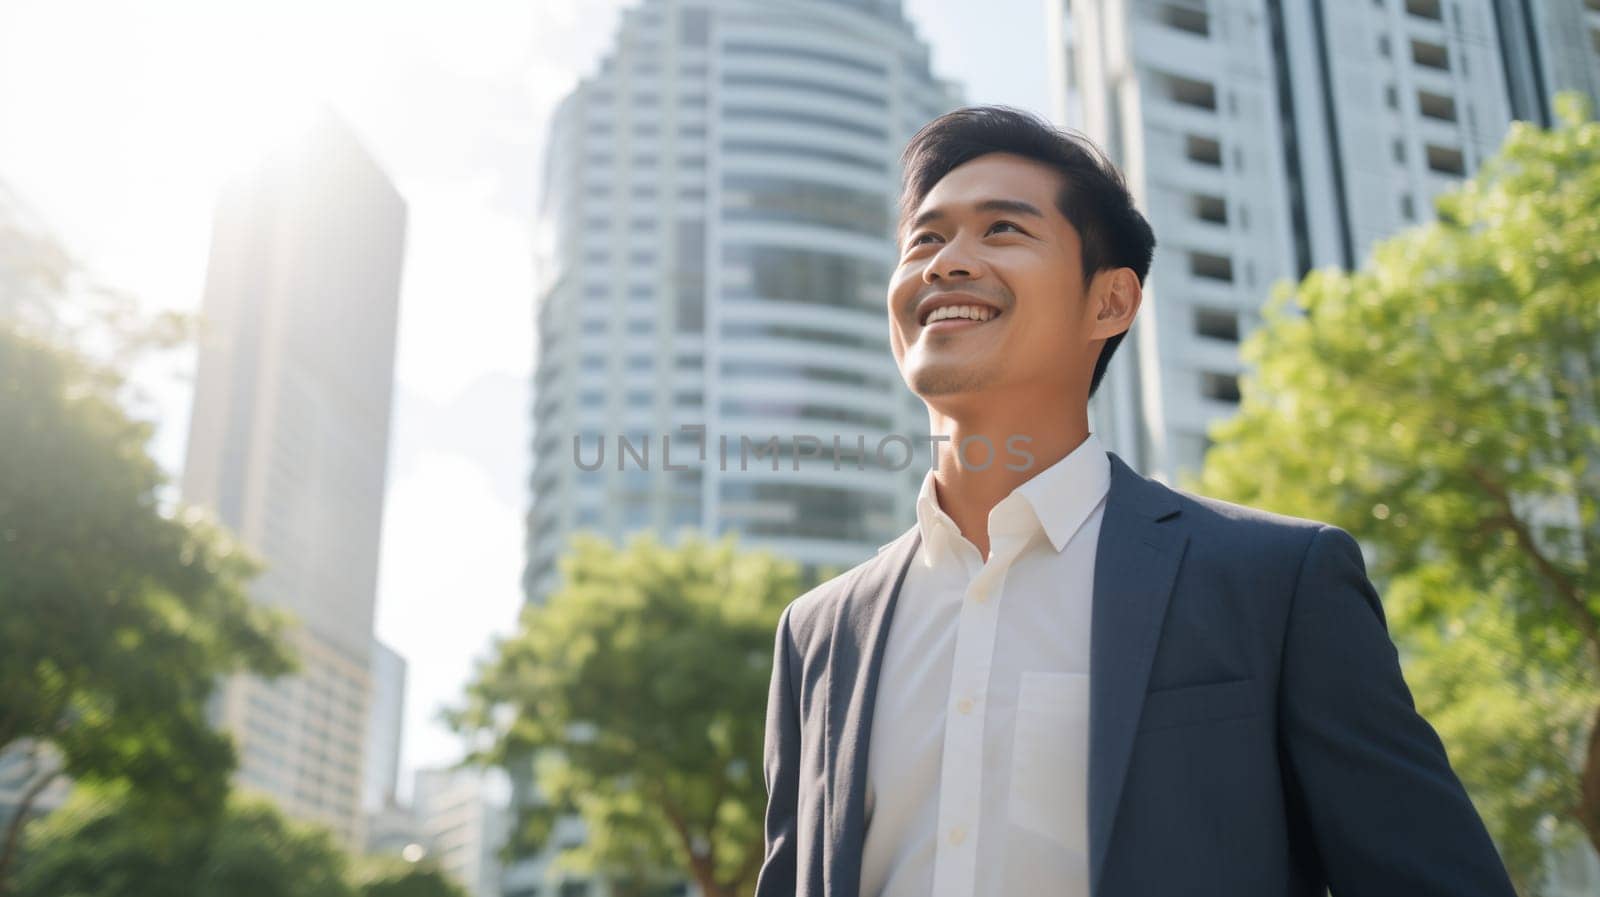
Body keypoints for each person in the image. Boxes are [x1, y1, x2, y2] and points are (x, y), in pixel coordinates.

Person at [753, 106, 1515, 897]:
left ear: (1110, 303)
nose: (946, 263)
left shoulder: (1276, 583)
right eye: (925, 238)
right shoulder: (818, 634)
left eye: (1002, 231)